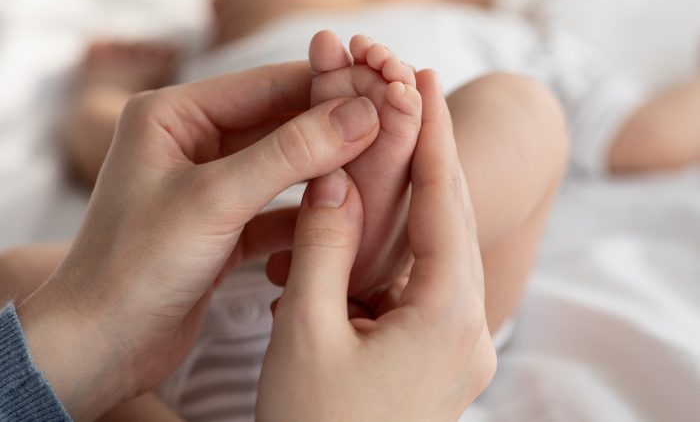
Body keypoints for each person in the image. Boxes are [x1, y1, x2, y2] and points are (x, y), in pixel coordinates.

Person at [0, 62, 496, 421]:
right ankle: (378, 234)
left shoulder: (461, 27)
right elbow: (125, 174)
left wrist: (100, 97)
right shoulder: (202, 61)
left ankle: (380, 238)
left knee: (511, 101)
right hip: (408, 375)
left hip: (207, 300)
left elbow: (111, 154)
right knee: (517, 107)